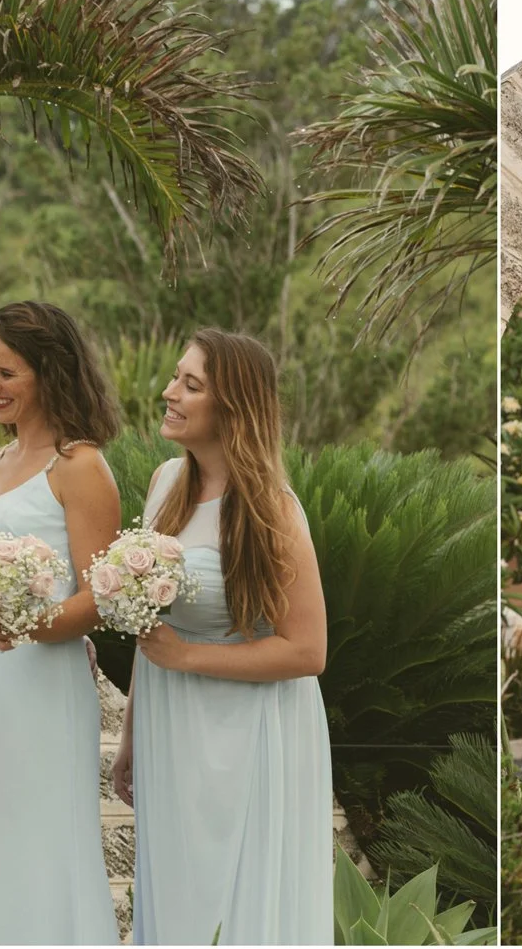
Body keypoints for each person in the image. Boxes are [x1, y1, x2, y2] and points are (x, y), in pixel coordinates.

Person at [117, 329, 332, 945]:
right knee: (179, 895)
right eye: (175, 378)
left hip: (250, 734)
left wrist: (186, 657)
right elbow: (148, 625)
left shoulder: (271, 509)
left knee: (236, 900)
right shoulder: (164, 484)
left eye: (191, 384)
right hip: (169, 723)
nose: (169, 392)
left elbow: (307, 650)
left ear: (234, 405)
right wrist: (132, 733)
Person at [0, 301, 123, 944]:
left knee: (41, 836)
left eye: (7, 373)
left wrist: (33, 626)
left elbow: (101, 596)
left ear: (49, 374)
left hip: (41, 684)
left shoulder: (79, 465)